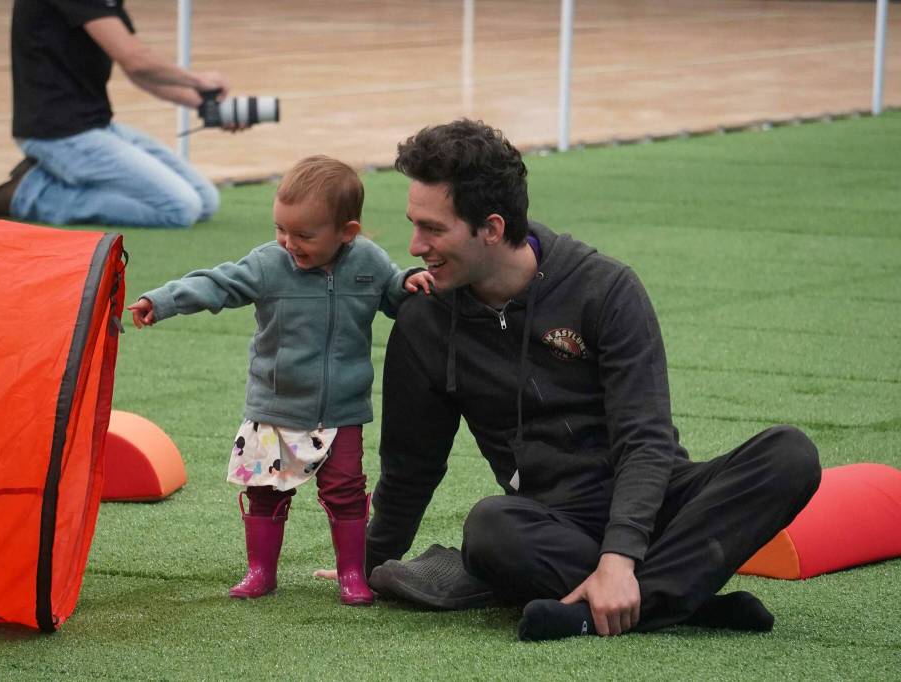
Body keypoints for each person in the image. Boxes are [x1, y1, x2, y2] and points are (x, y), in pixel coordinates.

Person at [362, 119, 822, 639]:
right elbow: (410, 465)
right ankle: (683, 601)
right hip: (552, 523)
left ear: (490, 228)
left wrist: (621, 556)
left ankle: (606, 606)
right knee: (490, 528)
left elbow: (645, 439)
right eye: (414, 224)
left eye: (433, 228)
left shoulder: (605, 288)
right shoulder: (424, 320)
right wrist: (368, 563)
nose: (415, 245)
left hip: (653, 504)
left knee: (789, 454)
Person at [128, 155, 433, 605]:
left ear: (347, 232)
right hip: (274, 405)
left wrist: (409, 281)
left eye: (305, 235)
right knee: (265, 491)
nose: (289, 242)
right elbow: (219, 283)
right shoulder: (269, 264)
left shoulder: (366, 261)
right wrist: (164, 300)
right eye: (281, 229)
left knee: (346, 489)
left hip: (342, 408)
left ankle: (353, 574)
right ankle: (260, 572)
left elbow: (392, 291)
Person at [0, 0, 231, 228]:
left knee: (205, 200)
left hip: (96, 126)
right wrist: (197, 80)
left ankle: (52, 174)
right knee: (179, 209)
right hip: (57, 134)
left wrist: (204, 105)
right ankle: (32, 192)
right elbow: (136, 60)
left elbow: (137, 70)